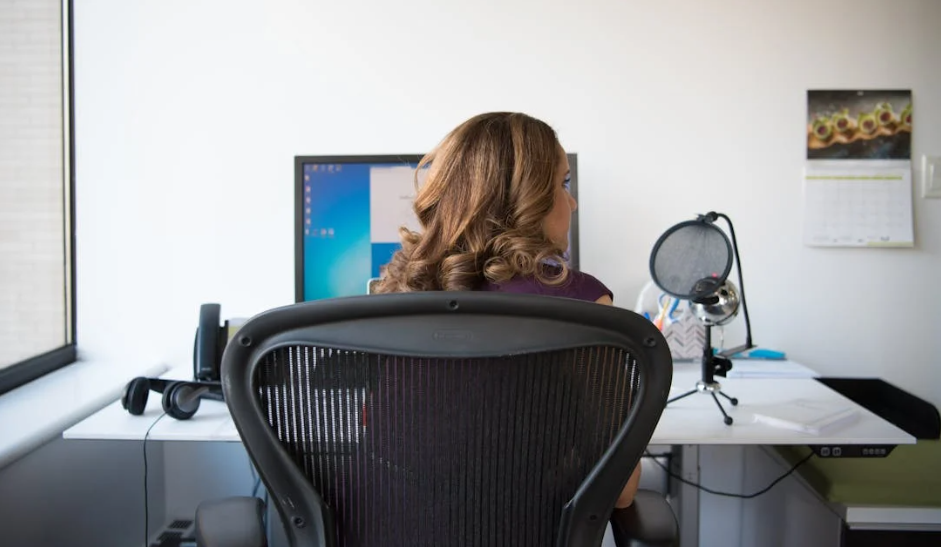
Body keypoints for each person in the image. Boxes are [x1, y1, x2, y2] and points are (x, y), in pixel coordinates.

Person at [374, 111, 641, 508]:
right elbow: (620, 492)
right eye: (563, 183)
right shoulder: (582, 306)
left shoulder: (394, 295)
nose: (573, 202)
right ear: (528, 199)